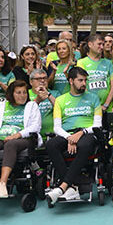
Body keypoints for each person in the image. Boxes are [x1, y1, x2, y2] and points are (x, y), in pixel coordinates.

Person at [45, 66, 103, 204]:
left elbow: (97, 125)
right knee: (51, 144)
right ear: (71, 81)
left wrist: (80, 133)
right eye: (80, 80)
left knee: (84, 144)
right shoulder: (60, 100)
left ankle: (63, 186)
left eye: (85, 80)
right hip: (67, 133)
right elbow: (57, 128)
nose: (84, 83)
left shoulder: (94, 98)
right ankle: (72, 186)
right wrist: (70, 138)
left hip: (87, 132)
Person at [0, 80, 41, 198]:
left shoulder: (31, 106)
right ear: (11, 94)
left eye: (24, 93)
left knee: (10, 144)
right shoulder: (1, 106)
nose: (22, 96)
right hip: (1, 137)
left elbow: (35, 126)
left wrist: (17, 135)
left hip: (23, 139)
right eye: (18, 93)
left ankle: (2, 183)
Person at [77, 34, 113, 113]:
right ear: (90, 44)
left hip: (107, 109)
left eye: (103, 44)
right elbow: (81, 84)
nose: (102, 47)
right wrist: (93, 104)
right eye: (99, 44)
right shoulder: (81, 62)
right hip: (89, 107)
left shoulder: (109, 63)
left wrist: (106, 105)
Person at [28, 68, 59, 137]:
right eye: (38, 79)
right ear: (31, 82)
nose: (42, 81)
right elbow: (26, 112)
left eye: (45, 78)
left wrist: (48, 94)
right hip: (31, 135)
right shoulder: (26, 94)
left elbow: (60, 109)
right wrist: (37, 100)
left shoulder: (55, 93)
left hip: (52, 135)